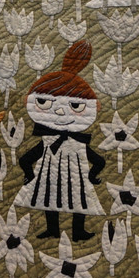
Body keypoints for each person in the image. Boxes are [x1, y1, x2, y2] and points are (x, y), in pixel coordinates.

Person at [16, 40, 105, 241]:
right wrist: (29, 174)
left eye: (75, 105)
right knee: (50, 199)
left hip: (72, 180)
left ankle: (78, 231)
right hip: (52, 179)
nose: (59, 111)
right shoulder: (49, 140)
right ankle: (53, 229)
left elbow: (99, 161)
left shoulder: (75, 142)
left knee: (77, 200)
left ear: (95, 107)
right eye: (43, 102)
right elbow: (26, 159)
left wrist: (92, 175)